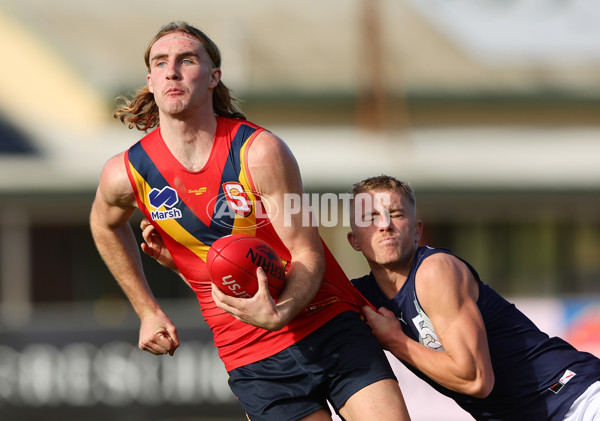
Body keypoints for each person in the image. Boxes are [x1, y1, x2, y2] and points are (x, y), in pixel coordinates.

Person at [89, 21, 410, 421]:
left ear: (213, 77)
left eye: (186, 60)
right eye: (161, 62)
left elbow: (306, 251)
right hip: (251, 355)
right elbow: (104, 224)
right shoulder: (126, 172)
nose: (172, 70)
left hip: (326, 321)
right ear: (151, 81)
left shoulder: (259, 151)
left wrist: (282, 310)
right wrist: (147, 310)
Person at [347, 175, 600, 421]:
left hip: (576, 401)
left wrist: (395, 340)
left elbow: (476, 379)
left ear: (417, 230)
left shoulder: (435, 270)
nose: (385, 224)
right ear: (354, 240)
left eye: (397, 214)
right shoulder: (361, 295)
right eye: (371, 217)